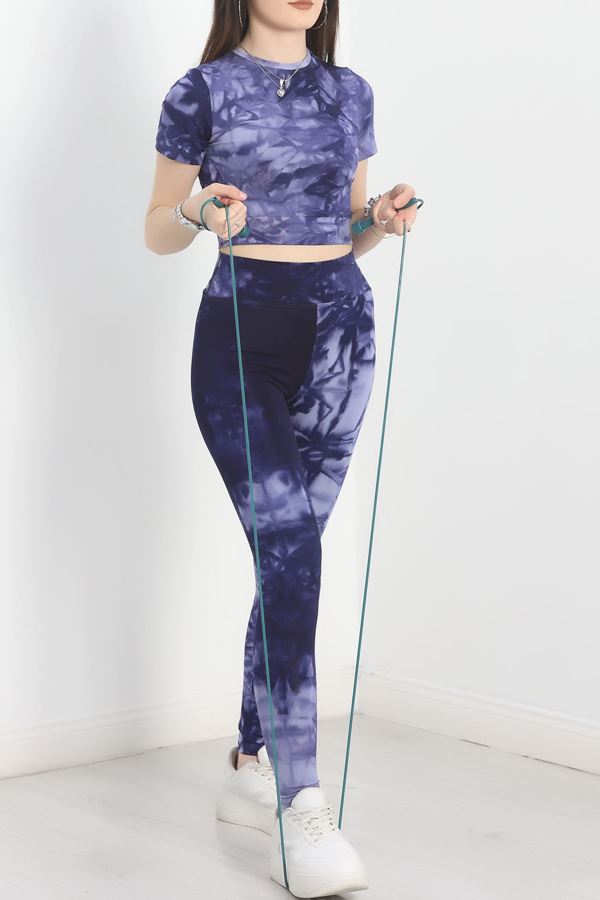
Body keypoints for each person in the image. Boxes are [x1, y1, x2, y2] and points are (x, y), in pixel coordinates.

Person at [145, 1, 420, 895]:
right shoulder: (201, 90)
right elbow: (156, 227)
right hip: (241, 335)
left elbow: (344, 235)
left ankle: (249, 760)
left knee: (290, 561)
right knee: (292, 549)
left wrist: (379, 218)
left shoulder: (351, 92)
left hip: (342, 337)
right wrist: (198, 209)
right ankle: (302, 808)